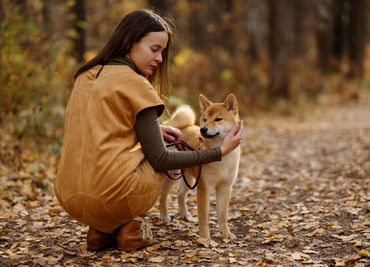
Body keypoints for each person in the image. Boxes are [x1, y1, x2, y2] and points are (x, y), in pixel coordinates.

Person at [54, 9, 243, 252]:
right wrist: (219, 152)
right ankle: (129, 228)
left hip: (69, 195)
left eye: (163, 52)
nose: (161, 59)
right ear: (130, 42)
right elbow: (161, 159)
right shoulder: (136, 83)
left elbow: (101, 129)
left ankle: (102, 228)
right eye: (155, 49)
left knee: (147, 146)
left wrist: (156, 127)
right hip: (111, 194)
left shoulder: (85, 75)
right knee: (170, 146)